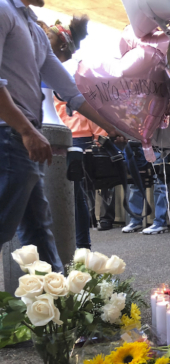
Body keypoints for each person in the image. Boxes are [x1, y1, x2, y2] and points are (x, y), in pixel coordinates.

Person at [0, 0, 118, 272]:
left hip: (23, 136)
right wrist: (27, 131)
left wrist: (112, 126)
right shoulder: (4, 11)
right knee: (7, 224)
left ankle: (58, 306)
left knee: (39, 231)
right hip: (9, 135)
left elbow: (71, 92)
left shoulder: (34, 28)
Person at [43, 16, 101, 247]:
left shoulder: (57, 66)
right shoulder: (47, 63)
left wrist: (107, 129)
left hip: (61, 135)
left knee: (71, 198)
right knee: (72, 198)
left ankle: (80, 250)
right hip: (57, 133)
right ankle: (81, 251)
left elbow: (78, 100)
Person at [121, 143, 169, 235]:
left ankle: (160, 222)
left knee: (160, 184)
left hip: (157, 145)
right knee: (136, 183)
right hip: (139, 145)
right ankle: (135, 220)